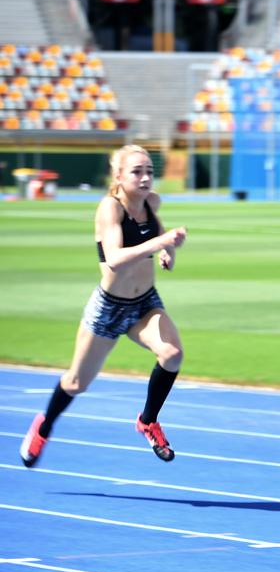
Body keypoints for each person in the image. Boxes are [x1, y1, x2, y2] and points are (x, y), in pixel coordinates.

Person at [19, 145, 187, 467]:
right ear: (119, 176)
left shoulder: (152, 203)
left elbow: (158, 232)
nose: (145, 177)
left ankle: (147, 421)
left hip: (144, 303)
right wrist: (159, 244)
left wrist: (169, 252)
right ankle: (45, 424)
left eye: (149, 171)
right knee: (76, 383)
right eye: (137, 171)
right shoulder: (110, 208)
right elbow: (114, 260)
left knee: (172, 354)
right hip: (109, 308)